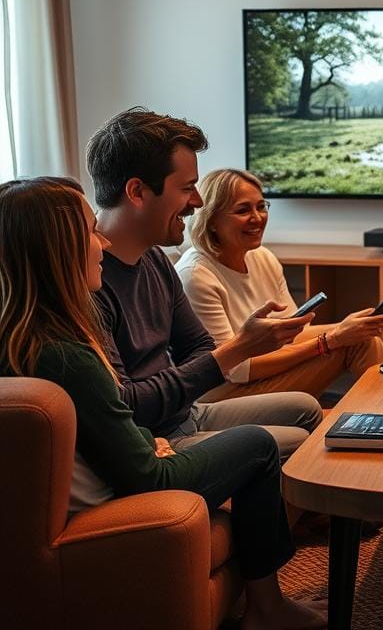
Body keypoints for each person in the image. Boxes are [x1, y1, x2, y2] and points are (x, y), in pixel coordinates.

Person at [0, 177, 326, 629]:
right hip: (133, 487)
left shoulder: (28, 335)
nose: (102, 243)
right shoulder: (63, 352)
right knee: (257, 445)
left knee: (301, 413)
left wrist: (145, 438)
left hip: (146, 443)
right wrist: (150, 441)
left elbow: (115, 416)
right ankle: (267, 609)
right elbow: (142, 475)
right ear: (58, 248)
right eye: (92, 231)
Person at [87, 107, 323, 459]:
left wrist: (200, 368)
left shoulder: (155, 260)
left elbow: (199, 345)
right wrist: (240, 347)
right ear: (137, 192)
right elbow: (132, 404)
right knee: (299, 444)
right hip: (157, 440)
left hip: (187, 412)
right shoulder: (90, 282)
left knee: (306, 408)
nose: (197, 202)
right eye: (186, 188)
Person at [176, 168, 383, 402]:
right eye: (242, 210)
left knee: (361, 337)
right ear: (212, 221)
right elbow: (237, 370)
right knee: (347, 341)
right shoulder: (196, 276)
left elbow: (290, 333)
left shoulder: (262, 256)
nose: (257, 218)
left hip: (257, 375)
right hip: (222, 395)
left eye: (261, 206)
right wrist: (332, 340)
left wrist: (347, 328)